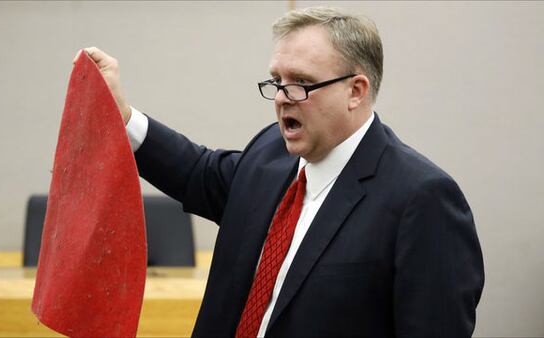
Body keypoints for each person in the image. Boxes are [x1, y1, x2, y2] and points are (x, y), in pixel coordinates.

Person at [79, 6, 484, 337]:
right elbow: (198, 172)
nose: (281, 99)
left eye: (301, 83)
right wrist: (123, 117)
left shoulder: (422, 198)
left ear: (356, 91)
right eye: (277, 81)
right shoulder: (270, 153)